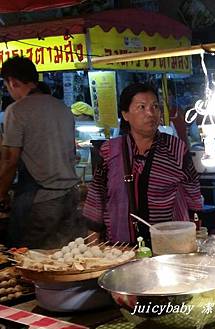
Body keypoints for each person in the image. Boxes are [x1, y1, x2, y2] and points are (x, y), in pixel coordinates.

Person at [83, 83, 203, 244]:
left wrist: (194, 232)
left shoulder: (176, 148)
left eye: (155, 106)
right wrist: (93, 247)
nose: (150, 113)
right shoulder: (110, 151)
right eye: (142, 107)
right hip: (120, 248)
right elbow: (97, 197)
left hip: (168, 246)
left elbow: (193, 194)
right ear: (125, 114)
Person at [0, 56, 83, 248]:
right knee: (62, 260)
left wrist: (1, 194)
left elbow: (10, 161)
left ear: (12, 82)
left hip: (41, 200)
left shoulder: (16, 111)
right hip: (70, 196)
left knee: (26, 260)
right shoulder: (61, 107)